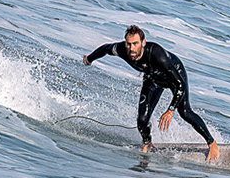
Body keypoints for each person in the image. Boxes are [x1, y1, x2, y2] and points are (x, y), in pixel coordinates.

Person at [83, 25, 219, 160]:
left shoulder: (157, 54)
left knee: (185, 112)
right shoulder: (122, 50)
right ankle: (148, 143)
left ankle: (211, 143)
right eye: (128, 44)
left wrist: (171, 109)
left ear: (143, 42)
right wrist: (90, 59)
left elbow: (179, 84)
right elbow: (106, 49)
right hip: (152, 78)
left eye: (135, 44)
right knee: (142, 120)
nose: (131, 48)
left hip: (174, 77)